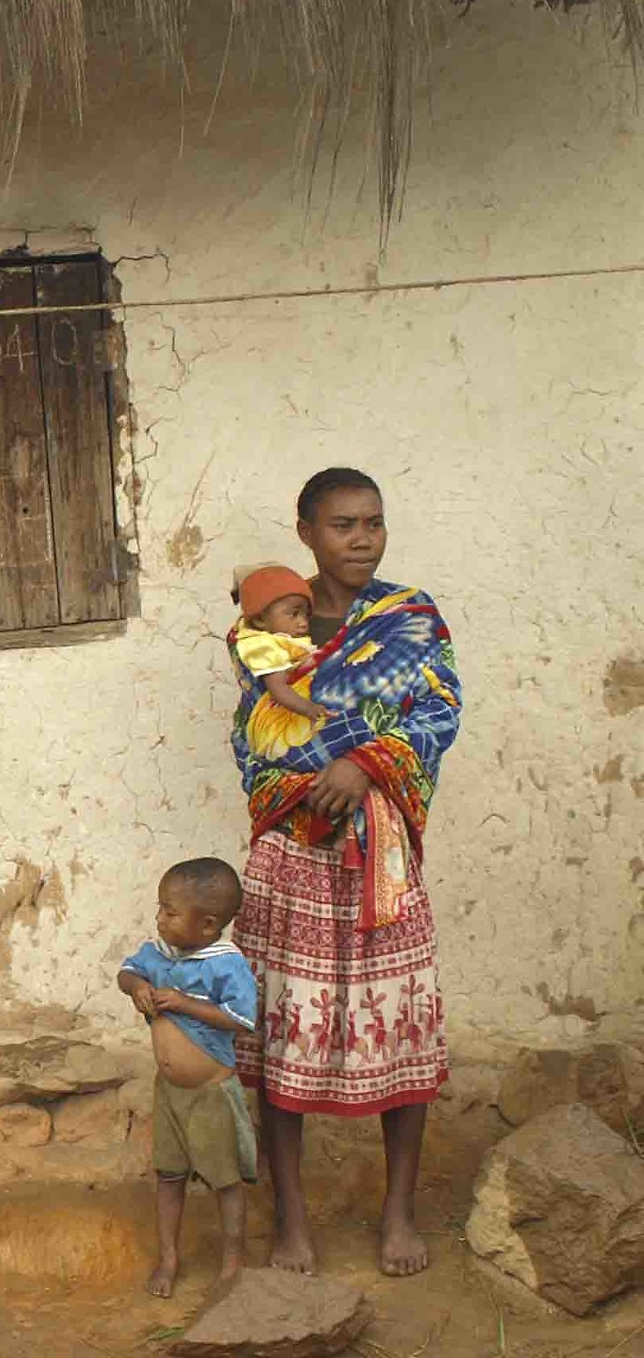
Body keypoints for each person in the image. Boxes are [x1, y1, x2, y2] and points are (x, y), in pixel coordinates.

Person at [231, 468, 461, 1276]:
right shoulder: (267, 628)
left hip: (381, 854)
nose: (362, 538)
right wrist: (308, 791)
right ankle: (290, 1217)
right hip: (294, 851)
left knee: (401, 1025)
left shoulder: (409, 617)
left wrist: (365, 766)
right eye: (342, 525)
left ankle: (398, 1211)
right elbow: (258, 730)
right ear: (306, 532)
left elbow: (439, 711)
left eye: (373, 522)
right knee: (283, 1032)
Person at [117, 858, 260, 1298]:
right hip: (170, 1095)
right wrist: (136, 988)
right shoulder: (159, 954)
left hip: (210, 1095)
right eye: (161, 908)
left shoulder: (226, 965)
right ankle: (169, 1258)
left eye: (170, 912)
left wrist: (183, 1002)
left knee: (225, 1179)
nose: (160, 918)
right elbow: (127, 971)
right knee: (169, 1175)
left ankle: (233, 1261)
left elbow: (241, 1019)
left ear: (208, 924)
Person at [231, 563, 326, 730]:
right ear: (260, 619)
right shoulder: (263, 647)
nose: (303, 623)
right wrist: (309, 709)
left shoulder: (281, 639)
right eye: (294, 614)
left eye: (306, 615)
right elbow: (278, 688)